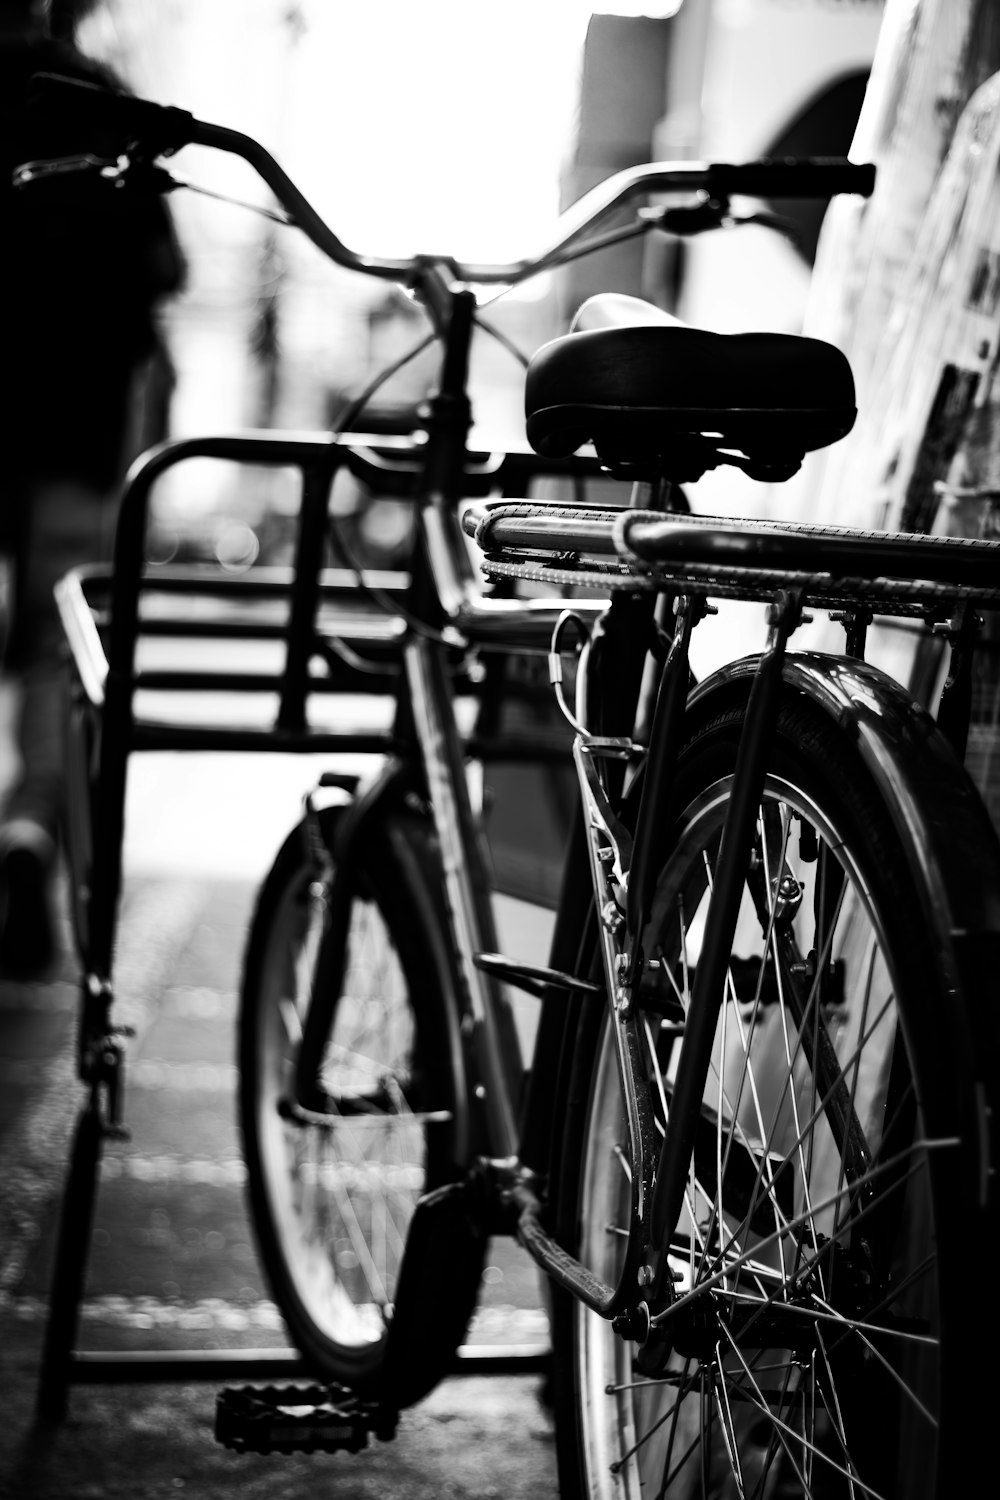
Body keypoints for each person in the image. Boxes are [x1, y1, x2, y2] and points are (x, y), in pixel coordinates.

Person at [0, 0, 184, 976]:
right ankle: (27, 831)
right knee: (52, 642)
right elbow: (164, 266)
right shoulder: (98, 102)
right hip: (74, 432)